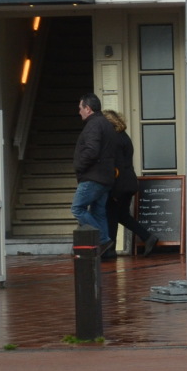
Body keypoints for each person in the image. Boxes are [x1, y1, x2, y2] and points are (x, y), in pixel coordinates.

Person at [102, 110, 159, 257]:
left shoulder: (113, 139)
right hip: (130, 182)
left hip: (120, 183)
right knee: (122, 215)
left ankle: (110, 249)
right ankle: (148, 237)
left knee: (112, 215)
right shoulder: (124, 136)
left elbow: (117, 165)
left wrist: (114, 190)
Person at [71, 93, 117, 255]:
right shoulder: (106, 124)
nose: (79, 112)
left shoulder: (93, 125)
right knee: (99, 211)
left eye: (80, 108)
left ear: (88, 109)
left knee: (77, 208)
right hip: (105, 177)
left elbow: (91, 151)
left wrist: (79, 166)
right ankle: (105, 248)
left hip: (93, 177)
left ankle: (103, 240)